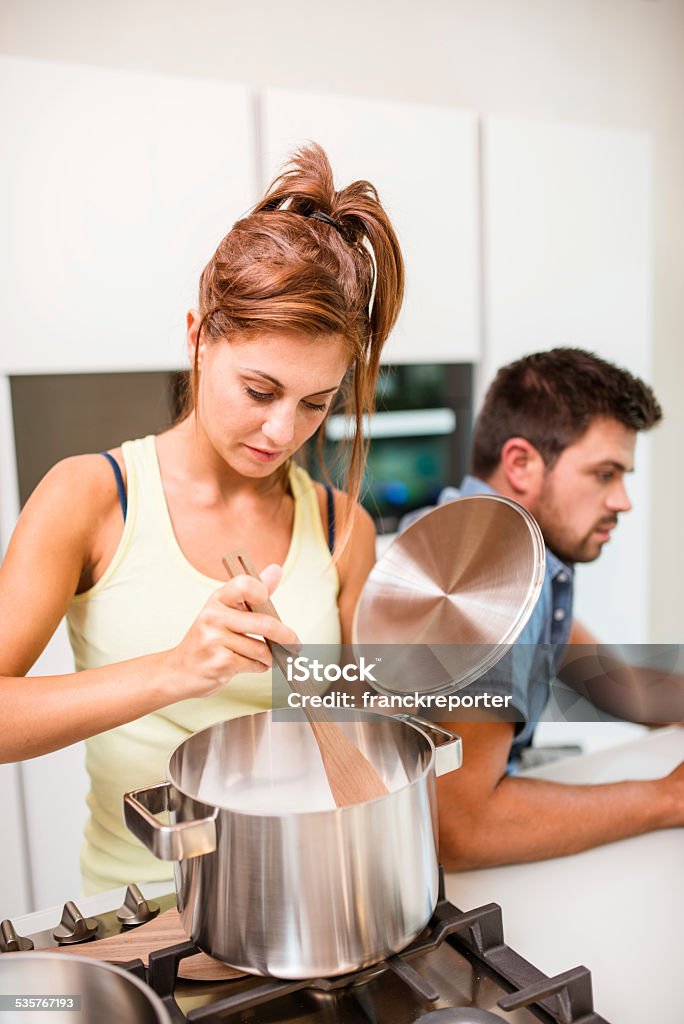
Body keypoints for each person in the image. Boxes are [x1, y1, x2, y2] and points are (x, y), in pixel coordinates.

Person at [0, 143, 404, 892]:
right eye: (259, 390)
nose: (284, 432)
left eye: (316, 403)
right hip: (140, 921)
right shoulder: (90, 497)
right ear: (197, 336)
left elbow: (368, 729)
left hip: (308, 900)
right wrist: (179, 670)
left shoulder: (342, 526)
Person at [416, 348, 684, 869]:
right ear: (520, 463)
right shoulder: (490, 576)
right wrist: (669, 797)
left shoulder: (480, 532)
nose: (623, 500)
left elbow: (616, 684)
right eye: (604, 474)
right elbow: (460, 827)